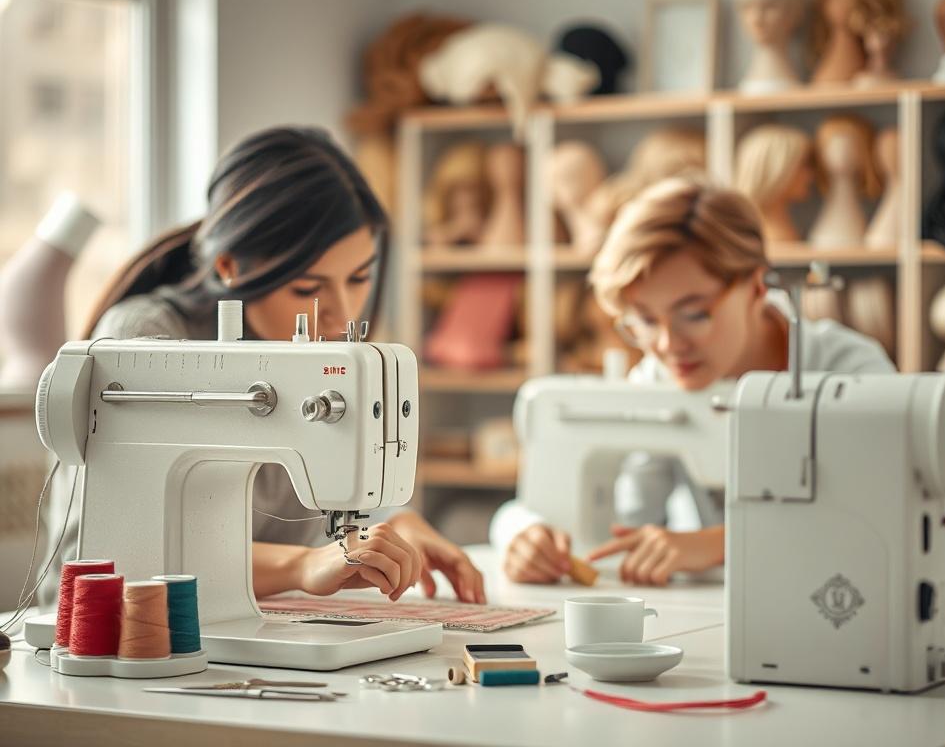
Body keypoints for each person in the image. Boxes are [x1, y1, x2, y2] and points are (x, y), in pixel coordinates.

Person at [41, 127, 485, 606]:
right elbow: (107, 559)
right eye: (307, 288)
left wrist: (396, 522)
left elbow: (342, 504)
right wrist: (301, 566)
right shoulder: (143, 342)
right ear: (232, 267)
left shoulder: (325, 353)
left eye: (359, 278)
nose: (343, 313)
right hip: (123, 635)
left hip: (242, 624)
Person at [490, 177, 894, 586]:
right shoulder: (655, 378)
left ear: (756, 286)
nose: (667, 344)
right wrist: (521, 533)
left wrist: (722, 543)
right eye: (646, 320)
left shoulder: (852, 373)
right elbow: (623, 519)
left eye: (695, 313)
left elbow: (891, 521)